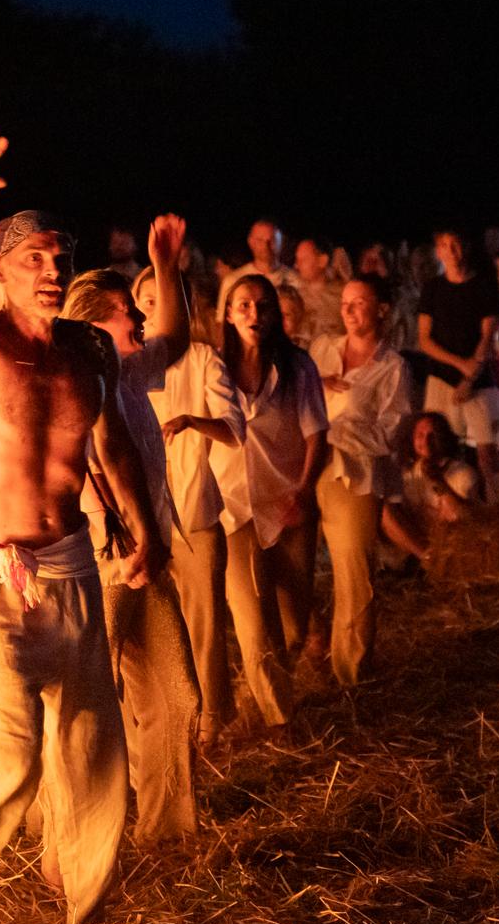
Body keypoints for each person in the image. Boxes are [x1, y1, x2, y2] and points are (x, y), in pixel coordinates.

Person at [0, 123, 163, 924]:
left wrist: (140, 526)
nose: (52, 271)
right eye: (34, 259)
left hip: (72, 570)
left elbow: (110, 441)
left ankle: (85, 909)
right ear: (0, 272)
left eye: (60, 257)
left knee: (89, 751)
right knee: (7, 758)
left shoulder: (89, 353)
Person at [61, 213, 201, 845]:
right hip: (103, 559)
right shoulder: (71, 382)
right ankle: (72, 836)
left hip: (148, 554)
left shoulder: (132, 373)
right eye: (124, 312)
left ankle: (165, 833)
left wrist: (166, 266)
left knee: (177, 698)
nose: (138, 320)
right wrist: (116, 536)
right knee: (87, 706)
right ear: (89, 322)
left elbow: (174, 334)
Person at [209, 273, 328, 734]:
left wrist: (303, 489)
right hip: (233, 507)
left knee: (294, 625)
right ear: (228, 312)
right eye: (243, 305)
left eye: (262, 306)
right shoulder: (214, 368)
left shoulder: (297, 367)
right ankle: (282, 724)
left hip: (287, 504)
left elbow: (317, 434)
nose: (253, 315)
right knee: (253, 622)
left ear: (276, 314)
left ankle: (264, 699)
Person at [136, 268, 246, 748]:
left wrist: (190, 420)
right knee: (149, 631)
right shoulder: (127, 364)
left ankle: (211, 721)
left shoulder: (202, 358)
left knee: (204, 623)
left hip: (195, 510)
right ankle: (162, 723)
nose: (149, 308)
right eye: (142, 299)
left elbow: (234, 427)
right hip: (141, 519)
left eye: (159, 298)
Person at [309, 275, 410, 687]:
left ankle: (351, 671)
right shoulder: (322, 352)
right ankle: (311, 640)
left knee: (352, 572)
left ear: (381, 309)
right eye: (345, 303)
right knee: (289, 562)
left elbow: (391, 431)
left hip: (353, 476)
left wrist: (338, 428)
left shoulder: (393, 368)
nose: (348, 311)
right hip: (306, 467)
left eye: (359, 303)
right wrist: (316, 387)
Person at [416, 229, 499, 484]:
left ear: (464, 247)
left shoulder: (484, 286)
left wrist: (470, 378)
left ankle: (492, 506)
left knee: (487, 453)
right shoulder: (432, 288)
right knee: (436, 448)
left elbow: (488, 336)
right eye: (444, 245)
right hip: (441, 379)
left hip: (478, 380)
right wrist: (460, 364)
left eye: (455, 244)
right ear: (439, 252)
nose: (451, 251)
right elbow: (425, 339)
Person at [381, 412, 481, 563]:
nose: (426, 442)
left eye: (432, 436)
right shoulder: (407, 475)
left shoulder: (462, 473)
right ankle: (426, 558)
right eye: (420, 435)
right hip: (418, 542)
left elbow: (460, 518)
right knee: (382, 509)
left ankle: (433, 561)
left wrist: (438, 481)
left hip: (449, 542)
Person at [221, 218, 301, 297]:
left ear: (281, 242)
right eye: (260, 240)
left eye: (272, 240)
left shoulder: (295, 281)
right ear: (250, 242)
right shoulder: (234, 281)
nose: (265, 245)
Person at [294, 237, 344, 343]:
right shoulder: (295, 297)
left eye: (303, 260)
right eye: (297, 259)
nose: (296, 265)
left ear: (322, 261)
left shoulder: (342, 296)